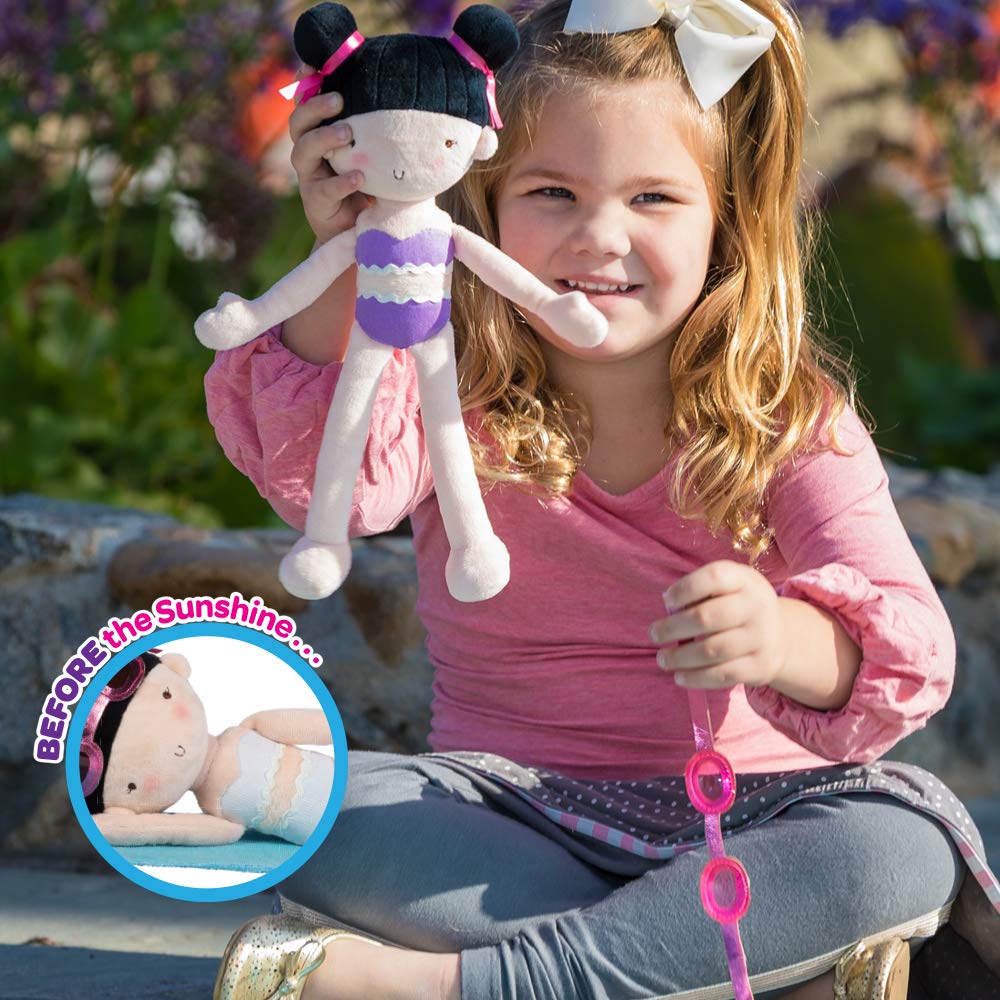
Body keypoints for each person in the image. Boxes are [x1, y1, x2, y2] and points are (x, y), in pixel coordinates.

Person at [204, 1, 1000, 998]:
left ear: (727, 218)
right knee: (293, 800)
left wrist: (783, 637)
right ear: (481, 203)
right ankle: (733, 969)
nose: (598, 236)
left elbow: (909, 655)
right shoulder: (449, 389)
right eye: (551, 191)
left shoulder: (784, 420)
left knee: (893, 846)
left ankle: (458, 986)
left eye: (653, 198)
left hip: (755, 820)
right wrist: (360, 242)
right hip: (507, 821)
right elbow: (333, 485)